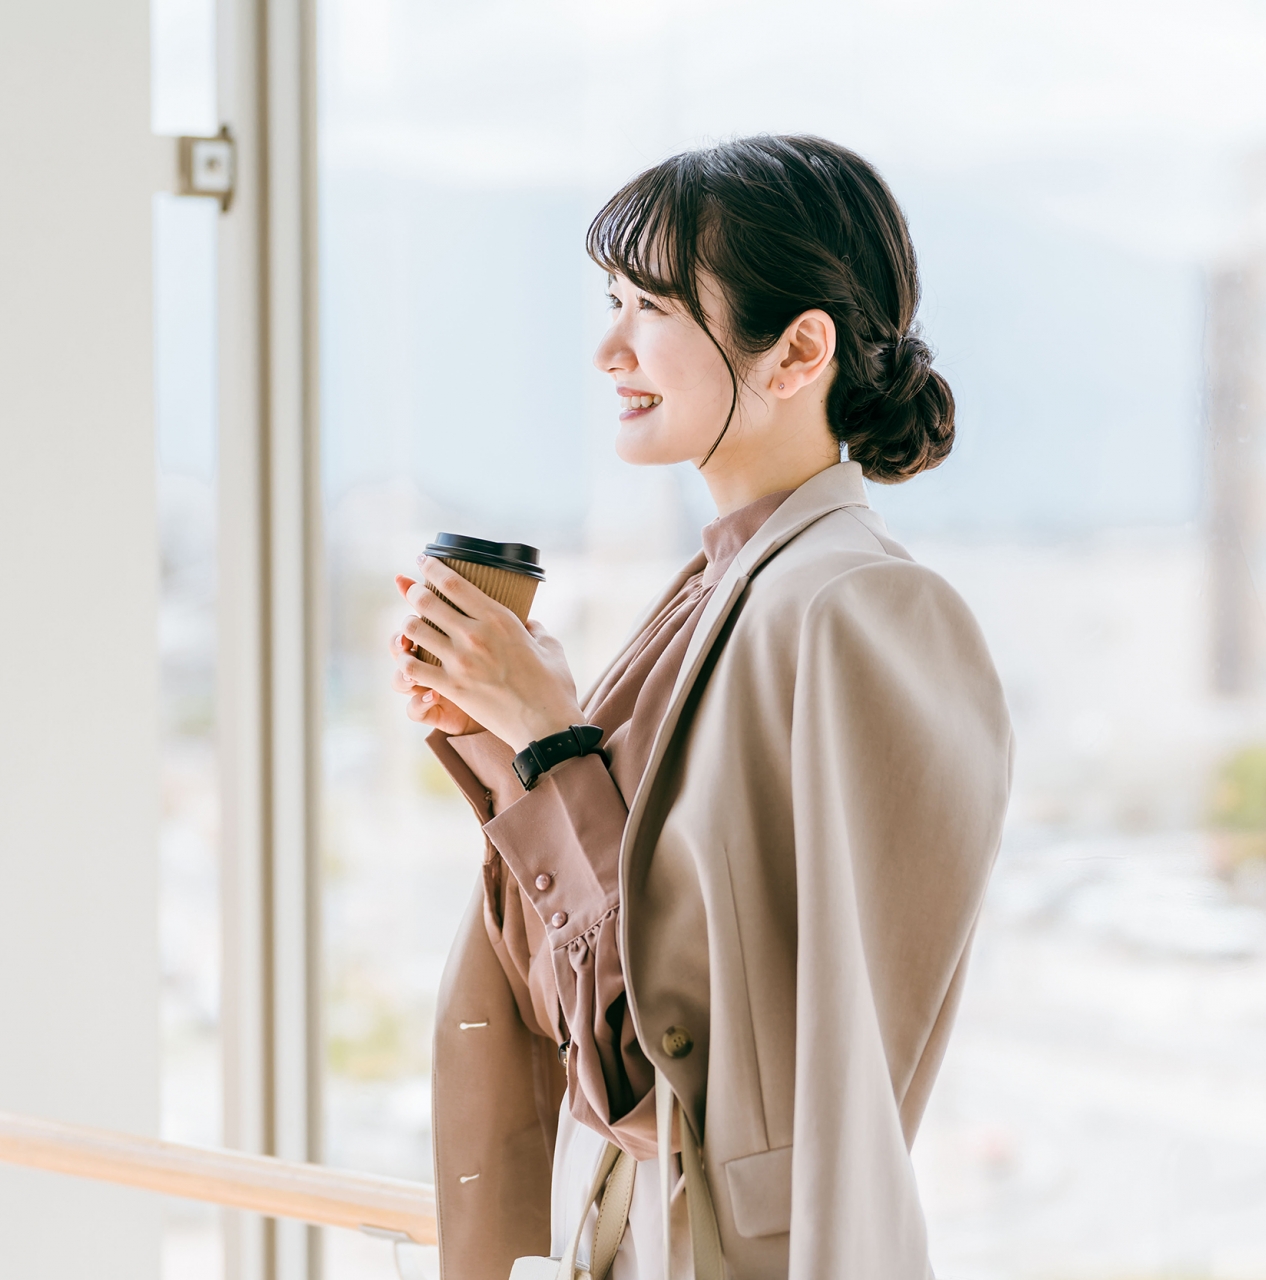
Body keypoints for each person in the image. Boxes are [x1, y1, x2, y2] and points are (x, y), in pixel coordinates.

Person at [389, 135, 1013, 1280]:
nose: (609, 345)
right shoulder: (727, 592)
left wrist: (552, 741)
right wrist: (512, 741)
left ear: (798, 351)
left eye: (652, 306)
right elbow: (581, 996)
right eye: (612, 300)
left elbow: (706, 1059)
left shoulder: (856, 607)